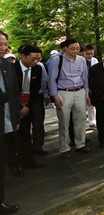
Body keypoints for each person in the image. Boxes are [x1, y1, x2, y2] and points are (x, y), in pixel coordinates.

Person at [49, 38, 92, 157]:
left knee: (81, 119)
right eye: (72, 48)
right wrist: (55, 96)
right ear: (65, 48)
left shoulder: (82, 60)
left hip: (80, 91)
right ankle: (64, 147)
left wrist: (86, 93)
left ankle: (80, 144)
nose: (75, 51)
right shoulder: (57, 60)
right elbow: (52, 79)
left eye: (77, 48)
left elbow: (85, 77)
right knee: (64, 121)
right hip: (64, 92)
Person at [14, 45, 48, 171]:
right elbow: (10, 91)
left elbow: (35, 88)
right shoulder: (12, 69)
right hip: (15, 104)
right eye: (33, 59)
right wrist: (19, 107)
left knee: (33, 126)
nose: (36, 62)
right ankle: (20, 160)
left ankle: (31, 157)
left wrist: (27, 106)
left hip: (31, 102)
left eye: (38, 59)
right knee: (20, 132)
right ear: (23, 56)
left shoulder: (38, 69)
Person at [0, 30, 21, 214]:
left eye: (5, 43)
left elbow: (14, 94)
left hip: (6, 120)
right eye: (0, 44)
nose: (3, 47)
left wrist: (15, 118)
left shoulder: (7, 65)